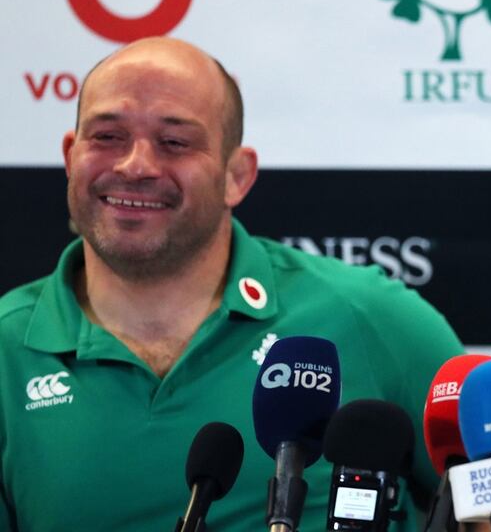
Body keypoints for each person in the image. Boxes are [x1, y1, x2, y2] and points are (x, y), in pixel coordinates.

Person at [0, 37, 465, 531]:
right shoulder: (7, 350)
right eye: (107, 136)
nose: (134, 165)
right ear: (71, 158)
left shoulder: (369, 316)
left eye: (174, 142)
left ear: (236, 175)